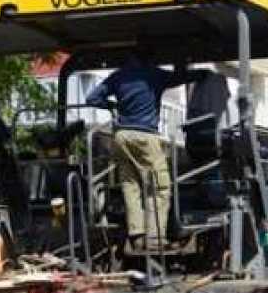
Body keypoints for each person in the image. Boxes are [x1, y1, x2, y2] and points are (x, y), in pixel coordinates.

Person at [85, 54, 207, 251]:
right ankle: (155, 237)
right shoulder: (153, 74)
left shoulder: (118, 76)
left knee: (130, 184)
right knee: (159, 186)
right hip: (145, 136)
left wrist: (111, 105)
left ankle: (137, 235)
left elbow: (92, 98)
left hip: (121, 136)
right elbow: (180, 77)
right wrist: (201, 74)